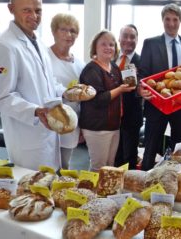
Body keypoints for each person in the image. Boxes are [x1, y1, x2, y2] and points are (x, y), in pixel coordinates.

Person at [0, 0, 65, 170]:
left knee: (49, 188)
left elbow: (48, 82)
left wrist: (69, 92)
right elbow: (3, 97)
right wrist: (35, 111)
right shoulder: (5, 46)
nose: (34, 16)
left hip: (48, 133)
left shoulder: (38, 42)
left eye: (38, 10)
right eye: (26, 10)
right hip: (27, 138)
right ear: (11, 9)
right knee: (31, 192)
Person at [138, 3, 181, 171]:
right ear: (162, 21)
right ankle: (145, 181)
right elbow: (142, 73)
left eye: (175, 19)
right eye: (167, 19)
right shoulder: (150, 43)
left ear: (180, 21)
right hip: (157, 105)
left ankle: (178, 179)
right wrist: (140, 89)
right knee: (150, 147)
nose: (171, 23)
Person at [79, 30, 135, 171]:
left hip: (113, 125)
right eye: (103, 44)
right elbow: (97, 99)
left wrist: (132, 77)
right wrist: (120, 90)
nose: (108, 47)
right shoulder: (91, 70)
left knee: (109, 167)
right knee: (99, 168)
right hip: (97, 127)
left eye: (111, 44)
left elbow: (124, 85)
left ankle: (106, 193)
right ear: (95, 47)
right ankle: (93, 193)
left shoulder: (114, 67)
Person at [49, 13, 85, 169]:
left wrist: (83, 126)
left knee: (64, 165)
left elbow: (83, 96)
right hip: (48, 119)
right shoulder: (44, 57)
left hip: (71, 122)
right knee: (45, 166)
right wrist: (65, 92)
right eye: (63, 30)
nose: (69, 35)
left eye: (73, 31)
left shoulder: (80, 64)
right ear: (54, 31)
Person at [114, 24, 143, 169]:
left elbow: (144, 88)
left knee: (130, 155)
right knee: (114, 154)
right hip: (111, 115)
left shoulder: (142, 61)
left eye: (132, 37)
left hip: (131, 116)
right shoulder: (110, 58)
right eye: (125, 36)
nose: (128, 40)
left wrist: (136, 80)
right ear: (119, 38)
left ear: (137, 40)